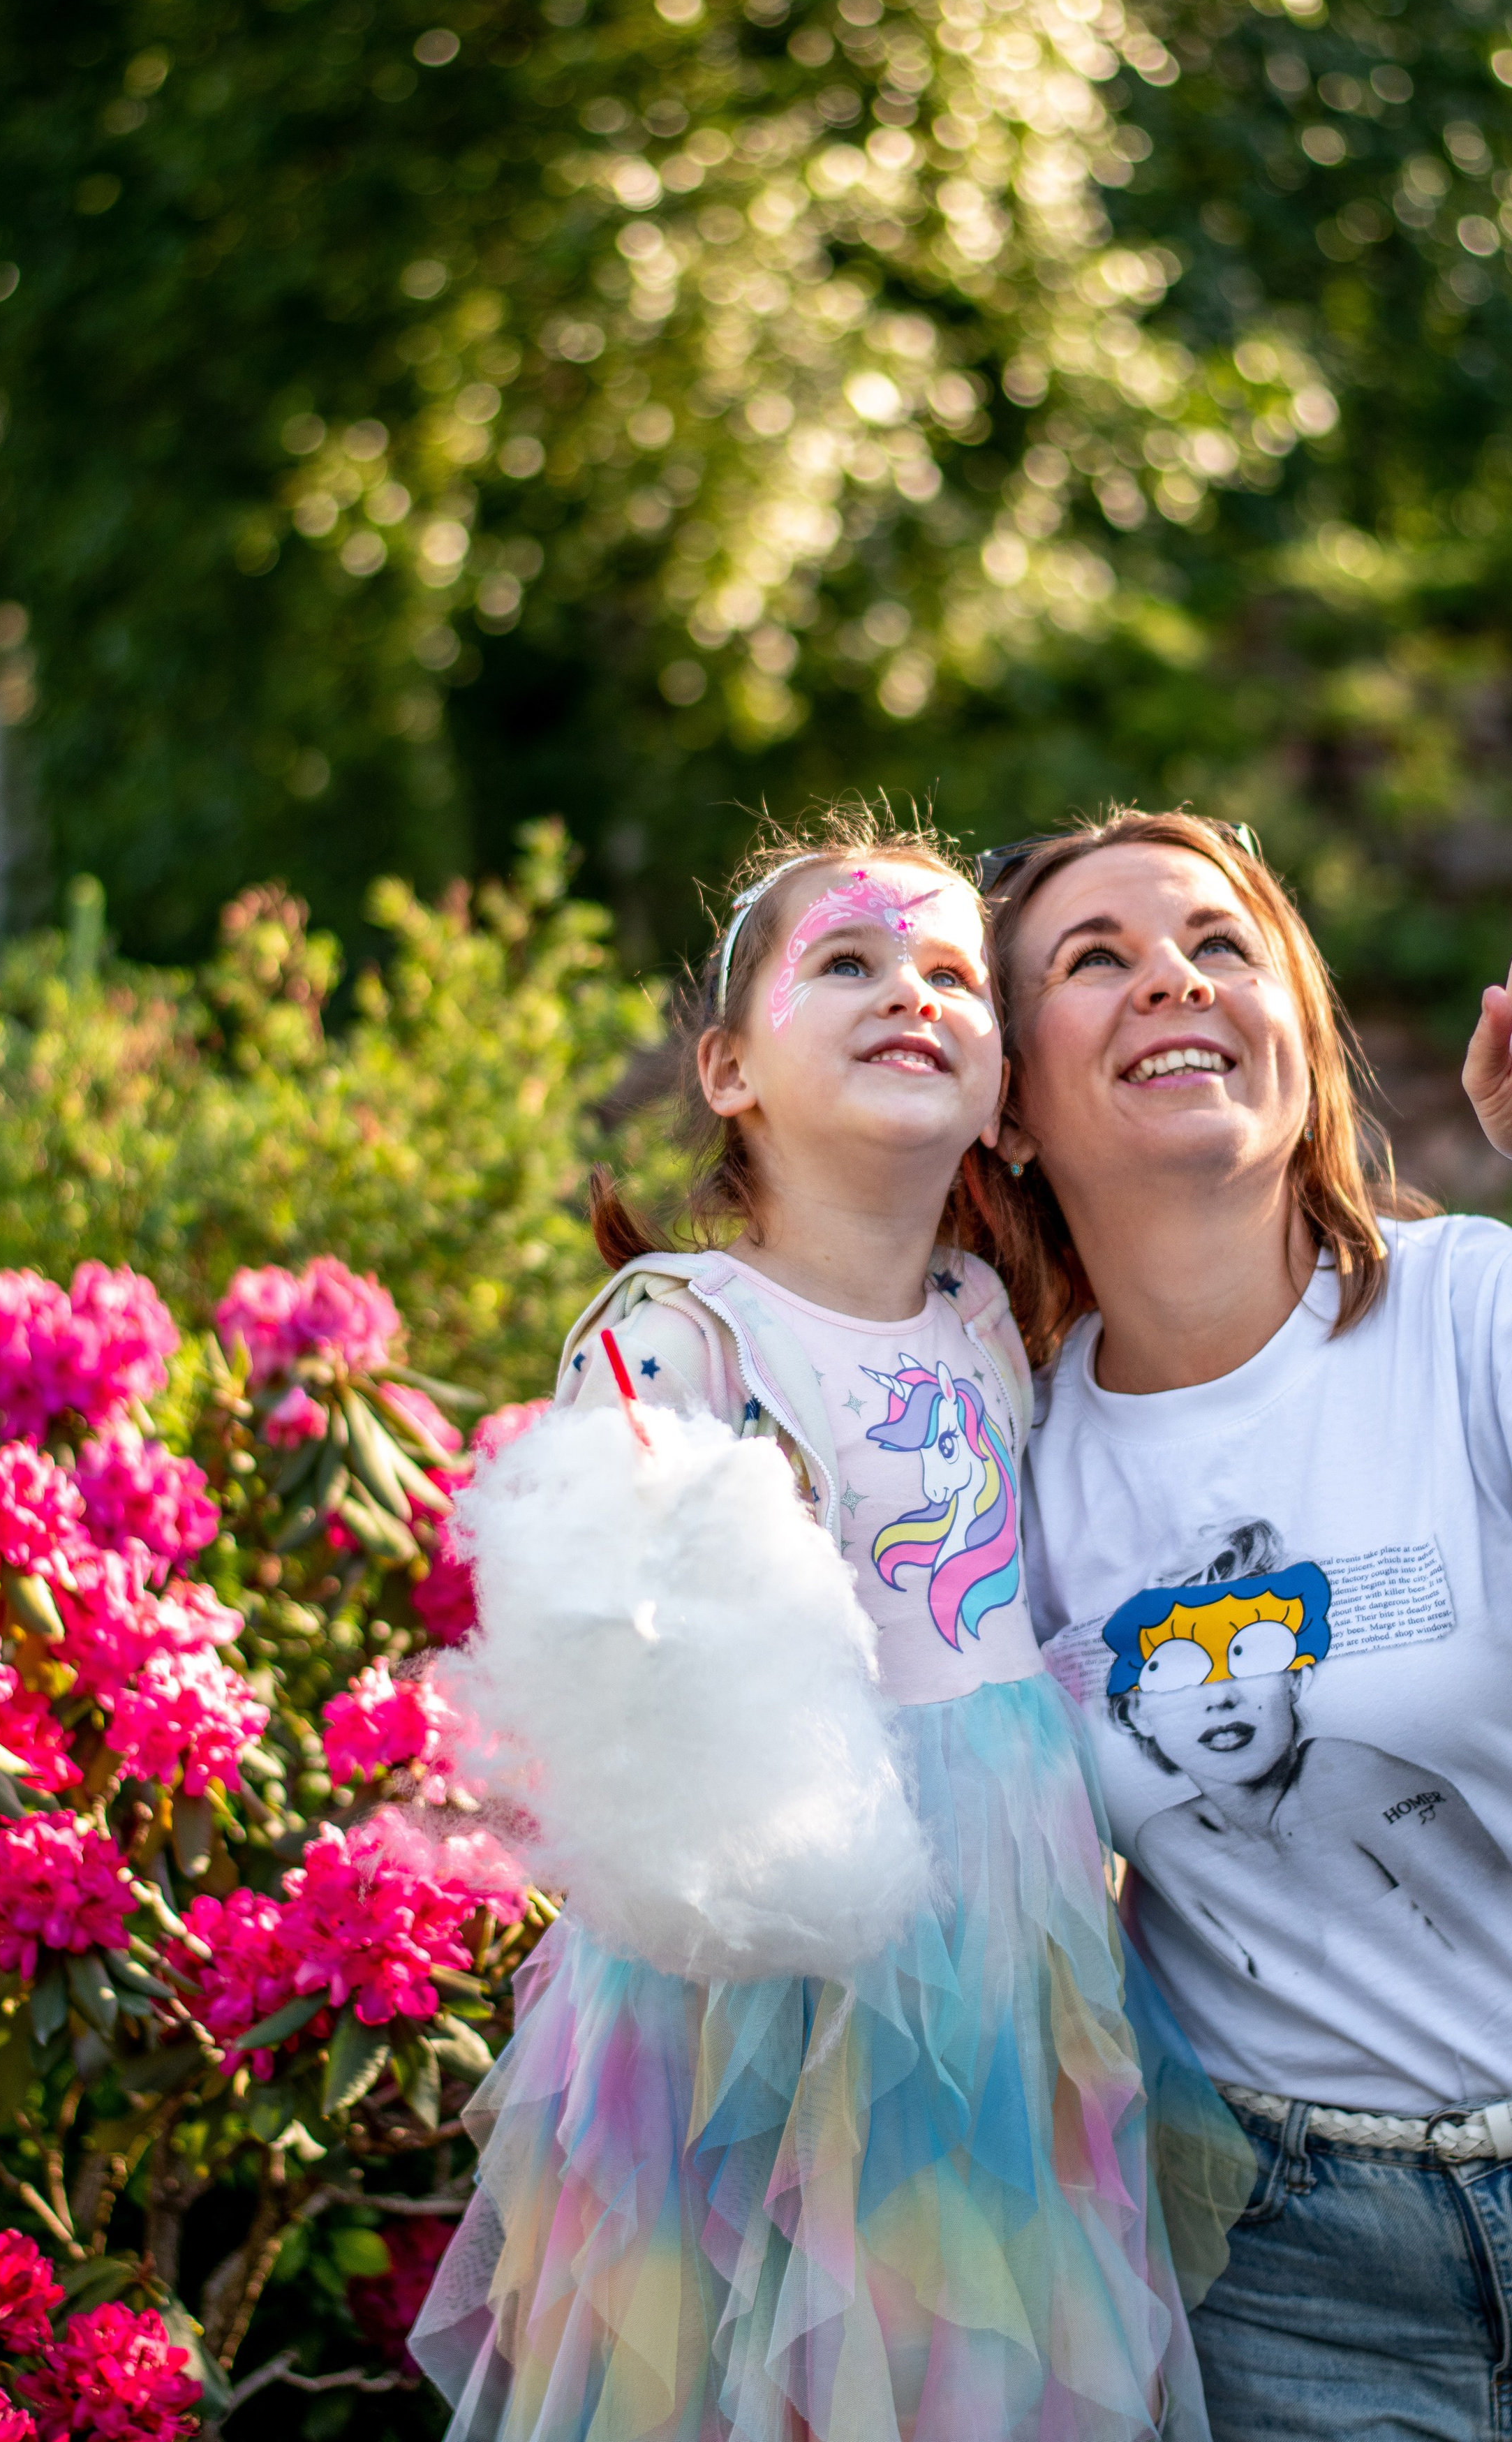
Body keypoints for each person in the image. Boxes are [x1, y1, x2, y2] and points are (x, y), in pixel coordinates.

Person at [411, 809, 1250, 2442]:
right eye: (848, 962)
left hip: (1008, 1953)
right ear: (726, 1067)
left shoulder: (995, 1322)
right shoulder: (678, 1333)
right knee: (758, 2371)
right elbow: (613, 1696)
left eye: (952, 973)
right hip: (765, 1986)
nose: (908, 993)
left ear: (1004, 1090)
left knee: (979, 2354)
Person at [975, 792, 1512, 2441]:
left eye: (1218, 945)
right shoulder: (1006, 1459)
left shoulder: (1490, 1311)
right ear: (1007, 1108)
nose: (1174, 980)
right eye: (1095, 958)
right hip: (1292, 2275)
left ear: (1296, 1035)